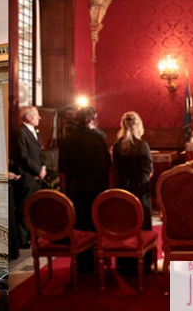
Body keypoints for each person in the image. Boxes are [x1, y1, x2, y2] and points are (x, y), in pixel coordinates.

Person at [59, 106, 112, 272]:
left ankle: (80, 261)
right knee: (94, 224)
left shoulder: (68, 139)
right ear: (91, 120)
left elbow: (62, 167)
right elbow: (106, 165)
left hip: (75, 189)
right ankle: (97, 260)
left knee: (79, 225)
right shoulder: (96, 139)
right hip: (94, 188)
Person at [111, 111, 154, 274]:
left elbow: (115, 168)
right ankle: (144, 261)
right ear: (139, 126)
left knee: (125, 223)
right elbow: (149, 169)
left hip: (123, 187)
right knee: (142, 222)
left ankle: (124, 263)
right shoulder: (142, 145)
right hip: (140, 188)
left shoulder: (116, 146)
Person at [14, 106, 45, 249]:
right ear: (29, 117)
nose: (39, 118)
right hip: (28, 177)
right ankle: (23, 239)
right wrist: (38, 170)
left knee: (35, 208)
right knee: (23, 209)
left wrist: (43, 166)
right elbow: (23, 156)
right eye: (37, 115)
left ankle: (33, 235)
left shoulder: (33, 132)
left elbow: (38, 152)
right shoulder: (20, 133)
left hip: (36, 176)